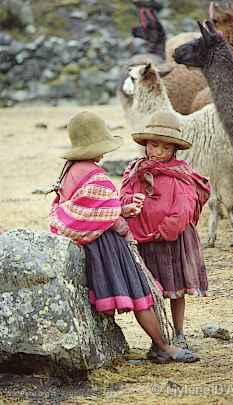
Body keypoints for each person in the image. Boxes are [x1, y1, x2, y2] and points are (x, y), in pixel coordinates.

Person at [48, 111, 199, 364]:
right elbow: (104, 215)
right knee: (141, 295)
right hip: (108, 245)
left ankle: (161, 343)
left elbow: (92, 210)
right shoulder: (95, 176)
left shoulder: (70, 170)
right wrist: (123, 215)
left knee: (141, 295)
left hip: (91, 242)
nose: (104, 154)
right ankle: (162, 346)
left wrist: (121, 209)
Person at [120, 111, 211, 357]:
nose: (158, 152)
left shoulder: (181, 174)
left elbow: (184, 207)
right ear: (145, 145)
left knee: (176, 289)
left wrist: (165, 231)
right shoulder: (135, 171)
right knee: (152, 291)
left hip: (172, 241)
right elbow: (121, 198)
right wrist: (131, 200)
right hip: (144, 241)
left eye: (165, 147)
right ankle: (159, 338)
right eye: (153, 145)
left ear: (174, 150)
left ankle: (179, 333)